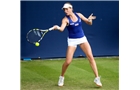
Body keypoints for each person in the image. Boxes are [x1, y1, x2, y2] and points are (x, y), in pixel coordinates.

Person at [52, 2, 102, 87]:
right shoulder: (65, 19)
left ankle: (97, 78)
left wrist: (89, 20)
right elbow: (62, 29)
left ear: (71, 8)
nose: (66, 11)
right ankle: (61, 77)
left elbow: (89, 23)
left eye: (67, 9)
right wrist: (57, 27)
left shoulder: (79, 15)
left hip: (82, 38)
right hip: (72, 40)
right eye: (64, 9)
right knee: (68, 62)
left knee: (90, 57)